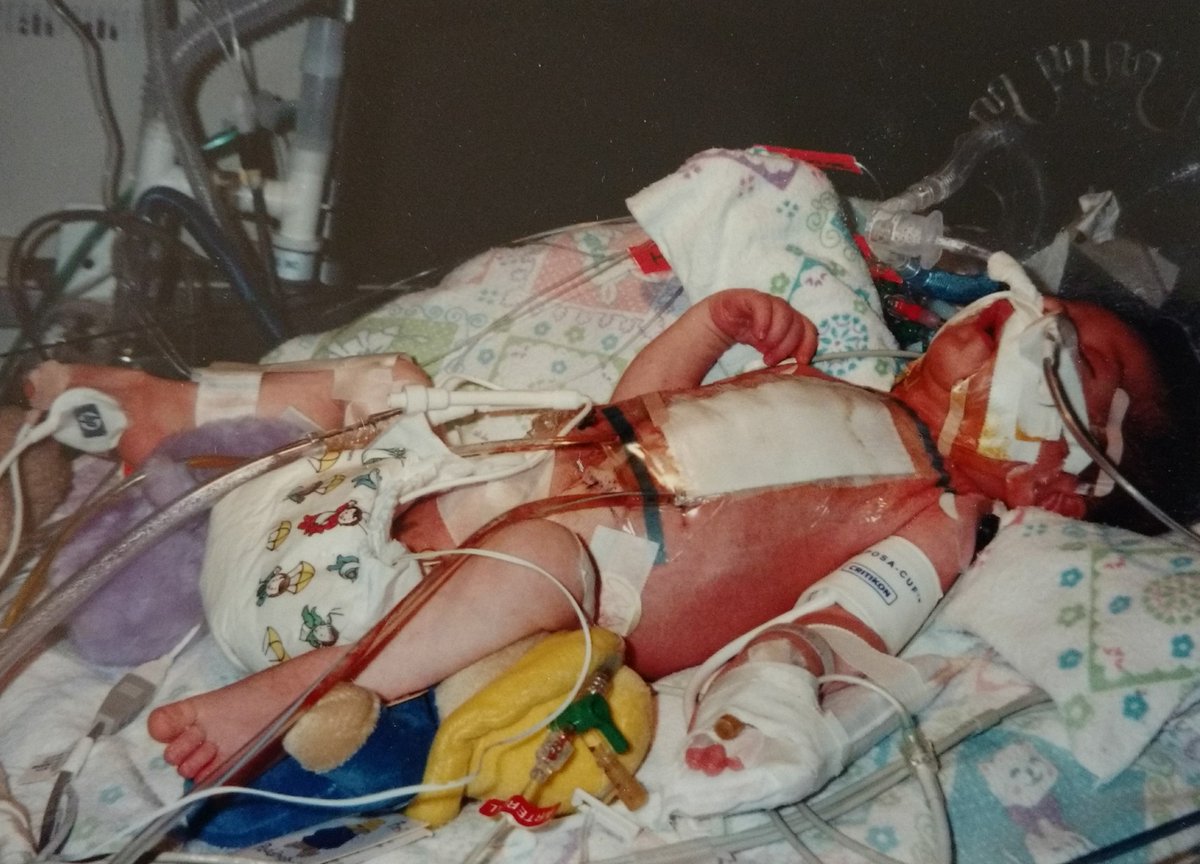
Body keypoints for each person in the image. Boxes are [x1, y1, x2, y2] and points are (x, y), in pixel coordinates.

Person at [21, 258, 1193, 785]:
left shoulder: (927, 515)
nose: (1029, 320)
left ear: (1062, 487)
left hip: (432, 613)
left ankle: (307, 691)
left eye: (1076, 353)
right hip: (341, 528)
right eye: (1034, 304)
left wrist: (769, 699)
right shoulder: (844, 393)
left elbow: (838, 631)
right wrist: (706, 327)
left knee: (543, 560)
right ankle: (157, 426)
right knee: (405, 392)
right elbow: (632, 417)